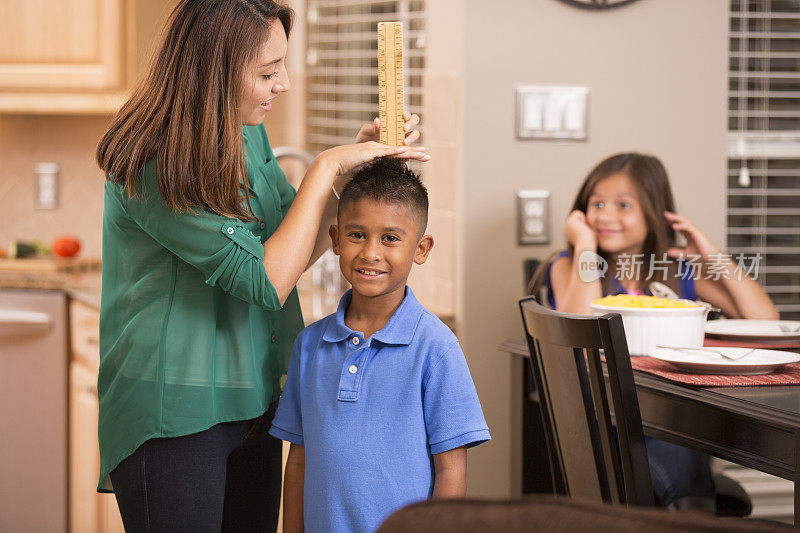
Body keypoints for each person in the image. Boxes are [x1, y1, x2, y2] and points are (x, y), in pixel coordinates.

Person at [94, 1, 429, 531]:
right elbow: (265, 280)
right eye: (268, 72)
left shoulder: (245, 128)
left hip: (253, 396)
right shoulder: (154, 154)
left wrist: (351, 173)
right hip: (175, 409)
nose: (285, 84)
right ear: (216, 72)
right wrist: (324, 167)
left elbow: (289, 249)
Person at [543, 152, 778, 511]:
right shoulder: (571, 266)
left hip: (673, 424)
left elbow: (764, 319)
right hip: (611, 435)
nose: (605, 215)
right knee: (686, 467)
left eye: (623, 205)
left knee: (685, 451)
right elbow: (578, 330)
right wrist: (586, 247)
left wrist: (711, 254)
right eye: (597, 204)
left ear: (654, 212)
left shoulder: (677, 272)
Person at [269, 158, 491, 533]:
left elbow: (451, 468)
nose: (371, 252)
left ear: (421, 249)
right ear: (335, 239)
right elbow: (299, 460)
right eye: (357, 235)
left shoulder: (436, 347)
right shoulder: (309, 345)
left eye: (390, 238)